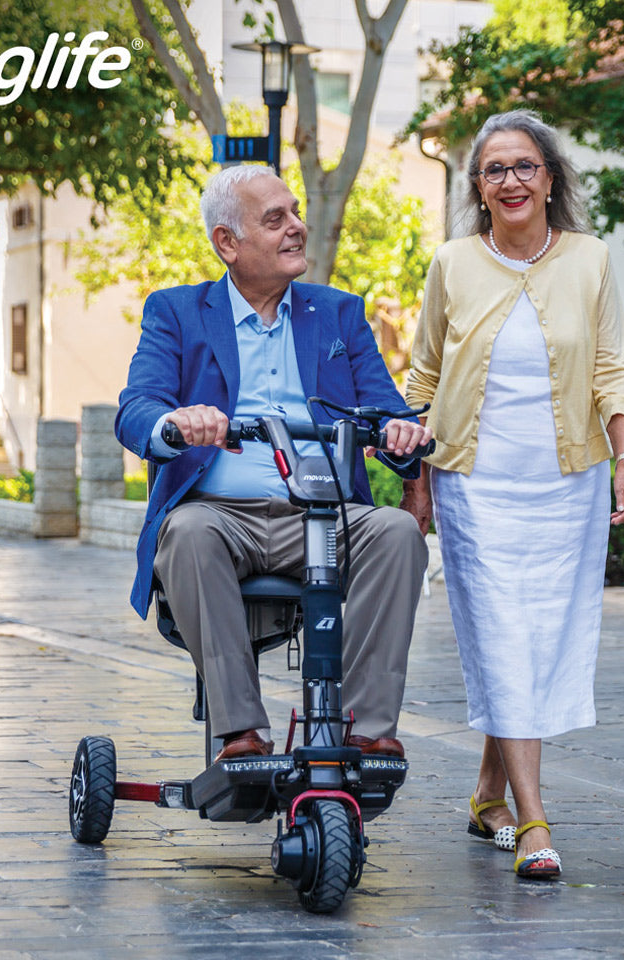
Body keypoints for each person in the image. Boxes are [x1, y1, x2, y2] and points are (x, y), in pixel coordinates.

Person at [116, 164, 433, 763]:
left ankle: (365, 729)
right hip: (219, 515)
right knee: (184, 533)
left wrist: (400, 431)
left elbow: (390, 411)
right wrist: (175, 424)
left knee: (394, 533)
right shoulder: (177, 312)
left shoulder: (337, 313)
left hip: (323, 513)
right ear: (227, 244)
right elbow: (137, 407)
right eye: (275, 219)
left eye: (295, 213)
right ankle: (239, 731)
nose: (297, 228)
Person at [403, 110, 624, 880]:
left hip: (568, 483)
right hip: (475, 481)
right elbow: (423, 379)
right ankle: (533, 824)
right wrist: (418, 485)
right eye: (494, 169)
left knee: (538, 639)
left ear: (550, 178)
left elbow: (611, 365)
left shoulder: (590, 260)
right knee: (503, 633)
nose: (510, 180)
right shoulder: (452, 263)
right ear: (477, 187)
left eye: (524, 166)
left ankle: (486, 795)